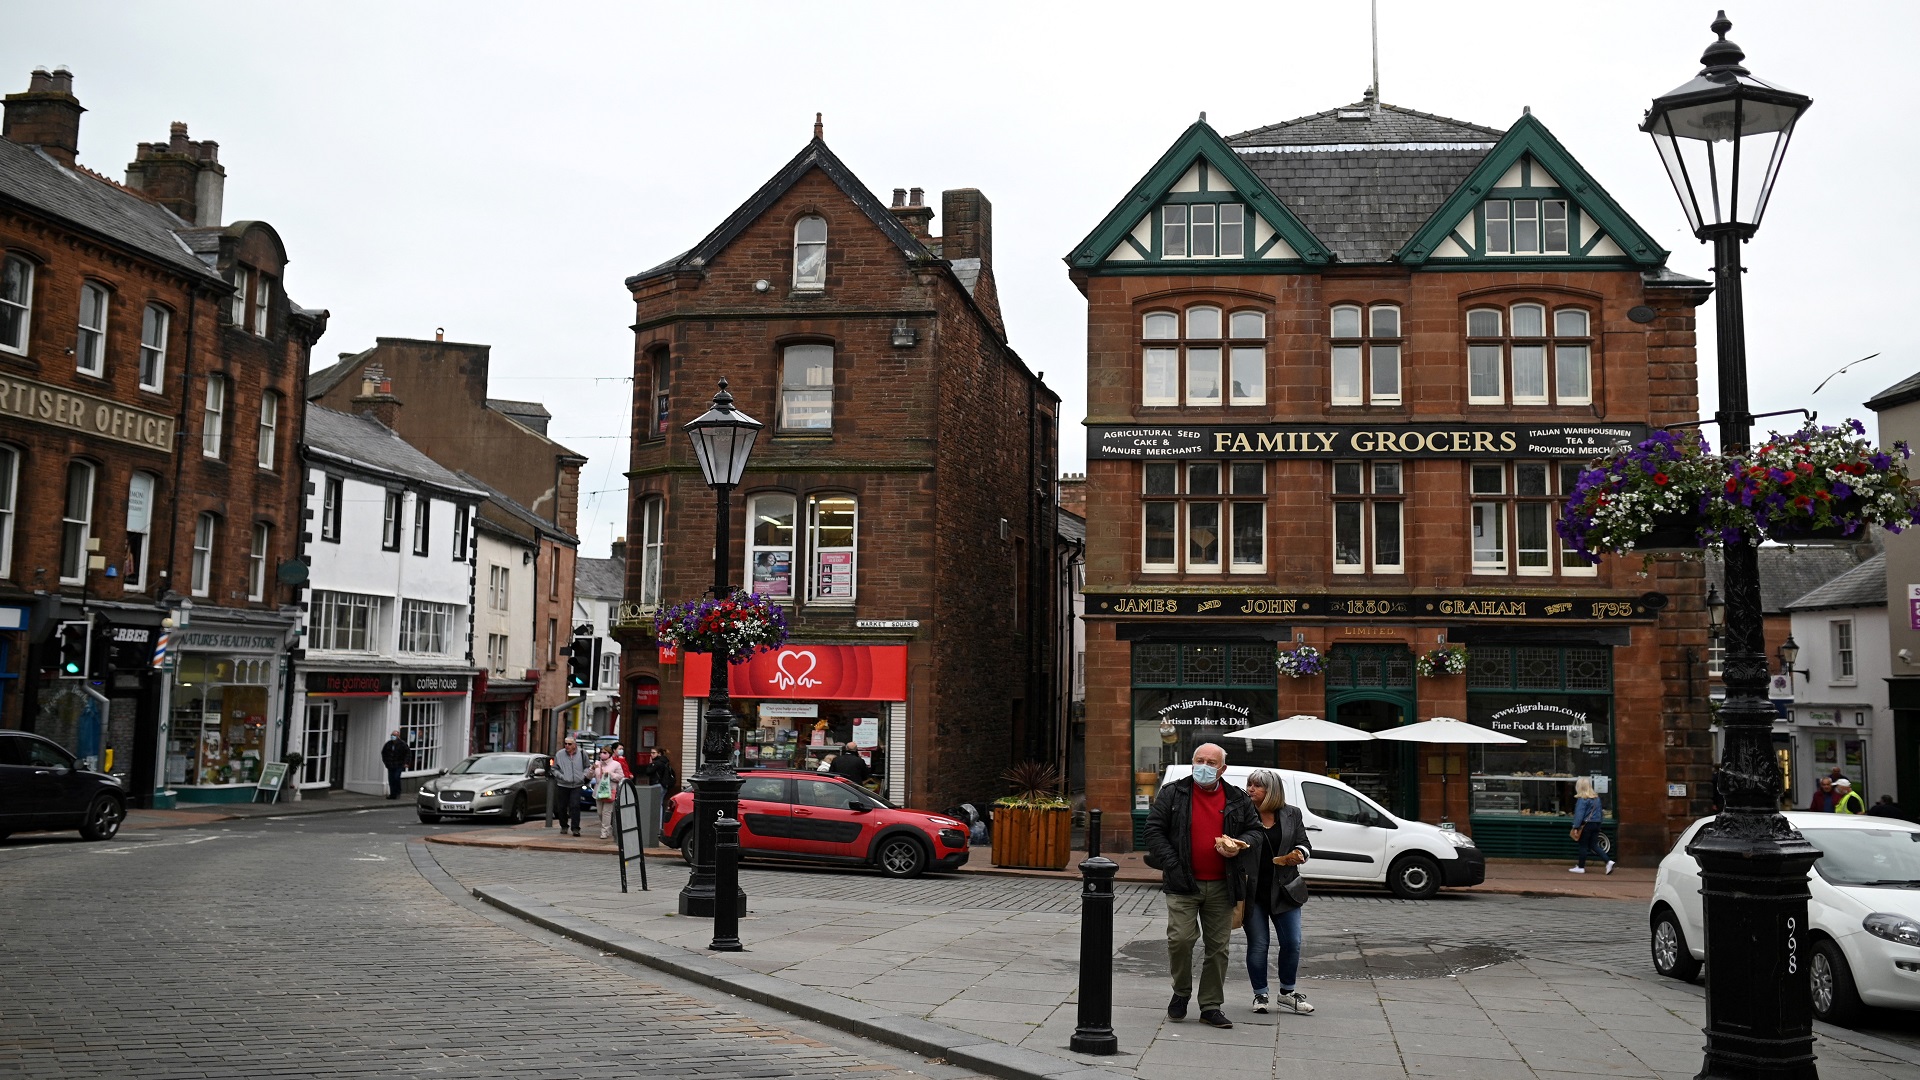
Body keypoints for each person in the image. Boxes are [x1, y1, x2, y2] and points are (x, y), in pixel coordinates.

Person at [1144, 743, 1259, 1030]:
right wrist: (1172, 863)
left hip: (1223, 884)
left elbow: (1255, 830)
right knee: (1180, 940)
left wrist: (1240, 845)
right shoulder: (1174, 793)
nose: (1204, 766)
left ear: (1222, 769)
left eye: (1211, 762)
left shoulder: (1236, 797)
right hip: (1183, 882)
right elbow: (1153, 830)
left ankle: (1210, 1005)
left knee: (1218, 948)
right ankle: (1181, 992)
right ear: (1192, 762)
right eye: (1199, 760)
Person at [1240, 769, 1314, 1016]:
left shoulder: (1292, 814)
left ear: (1271, 790)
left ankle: (1287, 993)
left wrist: (1301, 853)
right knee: (1259, 944)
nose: (1250, 789)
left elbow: (1303, 842)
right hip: (1254, 891)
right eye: (1249, 784)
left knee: (1292, 942)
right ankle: (1260, 994)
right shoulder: (1242, 813)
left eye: (1257, 786)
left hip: (1285, 891)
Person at [1570, 778, 1612, 874]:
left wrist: (1576, 826)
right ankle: (1608, 861)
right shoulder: (1596, 798)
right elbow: (1600, 813)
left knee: (1583, 845)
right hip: (1596, 824)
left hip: (1586, 825)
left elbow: (1579, 814)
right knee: (1593, 845)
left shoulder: (1582, 799)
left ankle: (1581, 867)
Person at [551, 735, 589, 836]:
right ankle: (564, 825)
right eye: (565, 743)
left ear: (574, 745)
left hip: (577, 784)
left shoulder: (582, 753)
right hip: (563, 784)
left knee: (575, 806)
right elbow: (554, 768)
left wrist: (583, 776)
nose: (567, 746)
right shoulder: (559, 754)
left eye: (569, 744)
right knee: (562, 807)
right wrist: (561, 776)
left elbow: (587, 767)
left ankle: (575, 828)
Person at [588, 745, 628, 839]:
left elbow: (621, 776)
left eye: (605, 753)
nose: (602, 754)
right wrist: (592, 769)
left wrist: (610, 774)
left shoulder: (615, 764)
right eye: (601, 752)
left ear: (609, 754)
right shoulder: (597, 763)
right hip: (598, 791)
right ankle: (608, 827)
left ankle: (604, 831)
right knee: (599, 812)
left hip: (610, 790)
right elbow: (589, 776)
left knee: (607, 812)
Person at [380, 730, 409, 800]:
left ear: (398, 736)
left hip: (399, 764)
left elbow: (408, 754)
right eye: (392, 735)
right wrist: (386, 762)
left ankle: (397, 792)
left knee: (396, 777)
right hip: (390, 765)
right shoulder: (388, 744)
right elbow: (384, 753)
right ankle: (392, 794)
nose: (393, 737)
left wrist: (406, 763)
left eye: (394, 735)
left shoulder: (403, 744)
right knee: (391, 779)